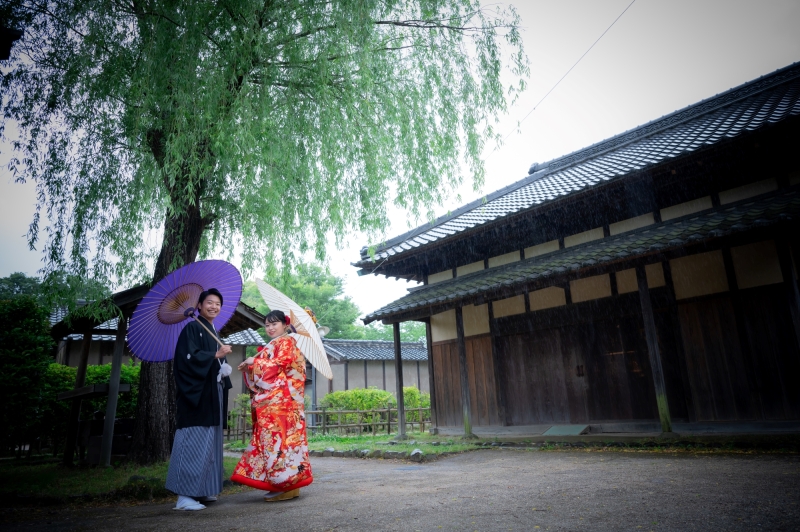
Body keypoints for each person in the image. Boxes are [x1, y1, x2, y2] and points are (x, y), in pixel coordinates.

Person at [230, 309, 313, 501]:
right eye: (267, 325)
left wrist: (255, 362)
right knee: (276, 443)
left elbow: (281, 365)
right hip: (275, 404)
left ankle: (285, 484)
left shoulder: (287, 341)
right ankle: (287, 483)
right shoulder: (276, 343)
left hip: (281, 404)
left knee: (278, 443)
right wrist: (251, 365)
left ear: (285, 325)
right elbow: (272, 367)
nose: (270, 328)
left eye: (274, 324)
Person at [165, 288, 234, 511]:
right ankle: (184, 496)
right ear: (200, 305)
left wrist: (222, 369)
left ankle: (203, 490)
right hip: (196, 397)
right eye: (209, 303)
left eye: (217, 304)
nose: (214, 307)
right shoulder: (192, 328)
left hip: (212, 395)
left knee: (210, 443)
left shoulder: (211, 329)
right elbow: (186, 361)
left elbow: (210, 361)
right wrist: (215, 356)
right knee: (193, 441)